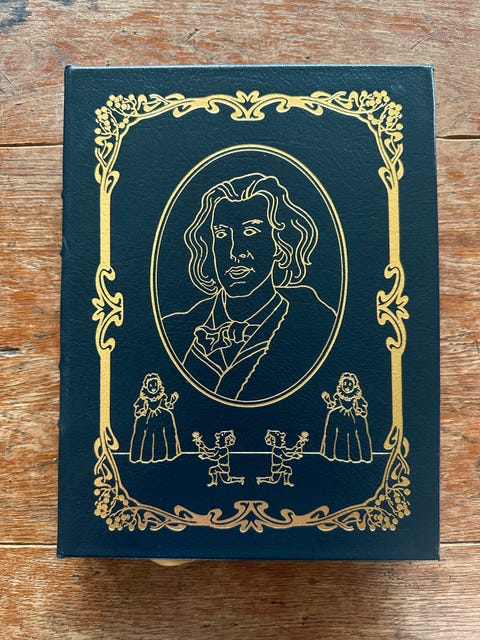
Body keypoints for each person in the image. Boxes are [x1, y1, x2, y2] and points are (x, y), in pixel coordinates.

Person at [162, 173, 336, 402]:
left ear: (280, 245)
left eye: (250, 232)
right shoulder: (171, 330)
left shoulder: (319, 328)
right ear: (209, 246)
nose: (235, 252)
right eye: (222, 234)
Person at [320, 372, 373, 463]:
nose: (347, 386)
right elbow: (333, 404)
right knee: (333, 419)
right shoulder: (338, 396)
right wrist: (328, 401)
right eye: (345, 383)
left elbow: (363, 410)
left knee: (356, 432)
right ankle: (331, 453)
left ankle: (359, 456)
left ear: (354, 385)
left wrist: (360, 411)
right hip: (340, 414)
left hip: (354, 416)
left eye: (349, 384)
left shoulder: (357, 398)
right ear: (341, 384)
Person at [129, 373, 181, 463]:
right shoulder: (144, 398)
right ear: (146, 386)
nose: (153, 387)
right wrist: (141, 411)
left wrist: (172, 400)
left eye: (155, 384)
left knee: (168, 417)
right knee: (143, 428)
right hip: (148, 416)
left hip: (160, 414)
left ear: (159, 385)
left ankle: (169, 453)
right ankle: (141, 455)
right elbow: (137, 411)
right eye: (151, 385)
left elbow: (167, 405)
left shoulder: (162, 396)